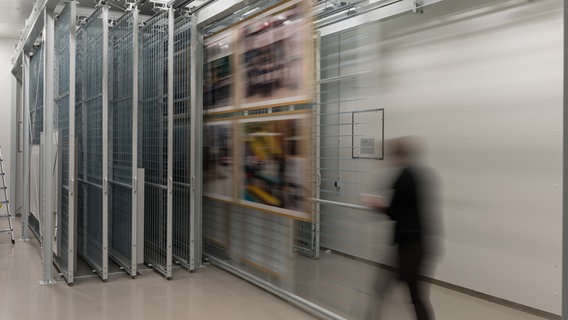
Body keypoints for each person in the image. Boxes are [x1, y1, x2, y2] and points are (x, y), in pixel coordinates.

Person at [364, 136, 442, 320]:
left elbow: (396, 212)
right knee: (385, 286)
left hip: (411, 245)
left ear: (398, 155)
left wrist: (376, 205)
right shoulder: (418, 174)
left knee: (413, 293)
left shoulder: (405, 177)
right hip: (411, 243)